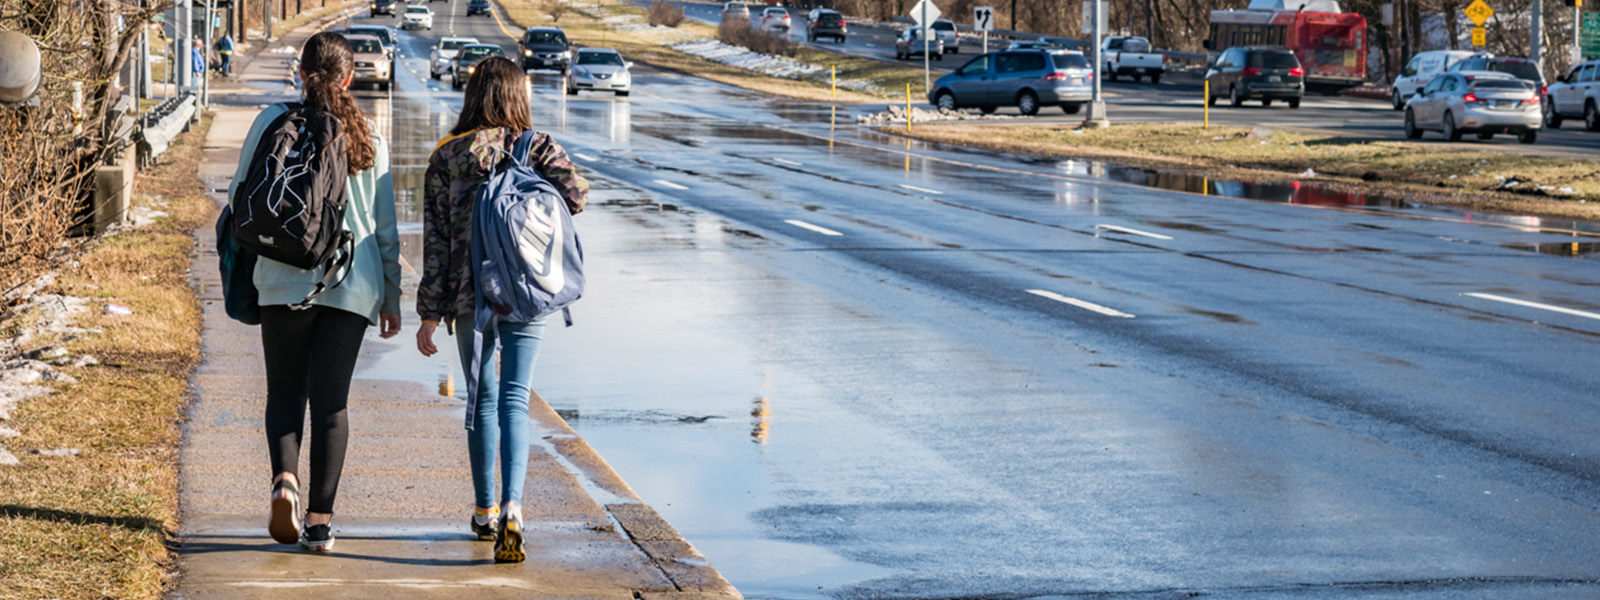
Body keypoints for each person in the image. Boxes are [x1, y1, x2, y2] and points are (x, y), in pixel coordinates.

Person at [227, 31, 402, 552]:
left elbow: (241, 198)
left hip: (281, 276)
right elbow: (386, 230)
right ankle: (321, 524)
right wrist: (391, 297)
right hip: (351, 284)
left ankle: (285, 482)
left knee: (284, 391)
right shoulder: (367, 133)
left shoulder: (269, 122)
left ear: (300, 74)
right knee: (331, 405)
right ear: (350, 78)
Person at [415, 56, 588, 563]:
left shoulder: (448, 155)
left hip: (471, 294)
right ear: (519, 96)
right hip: (526, 290)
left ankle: (485, 511)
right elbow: (577, 196)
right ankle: (515, 507)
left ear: (472, 97)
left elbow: (438, 242)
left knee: (480, 399)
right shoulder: (536, 147)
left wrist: (430, 311)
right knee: (516, 398)